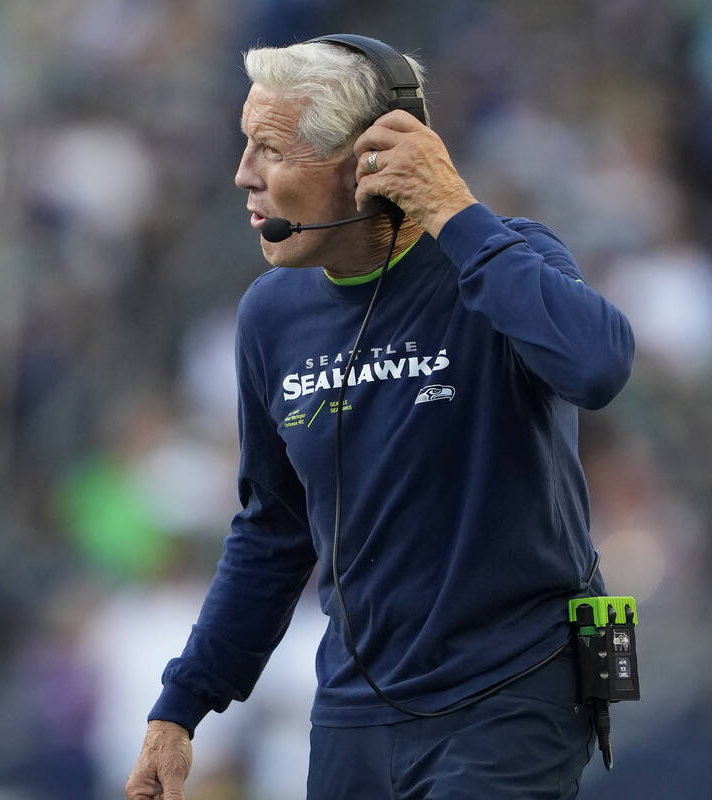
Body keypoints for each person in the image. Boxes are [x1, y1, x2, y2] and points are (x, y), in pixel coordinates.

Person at [126, 36, 634, 800]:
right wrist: (181, 707)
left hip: (512, 691)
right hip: (355, 710)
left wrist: (453, 213)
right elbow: (272, 531)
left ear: (368, 163)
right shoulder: (270, 315)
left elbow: (598, 368)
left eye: (269, 149)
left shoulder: (501, 258)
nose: (243, 175)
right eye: (244, 146)